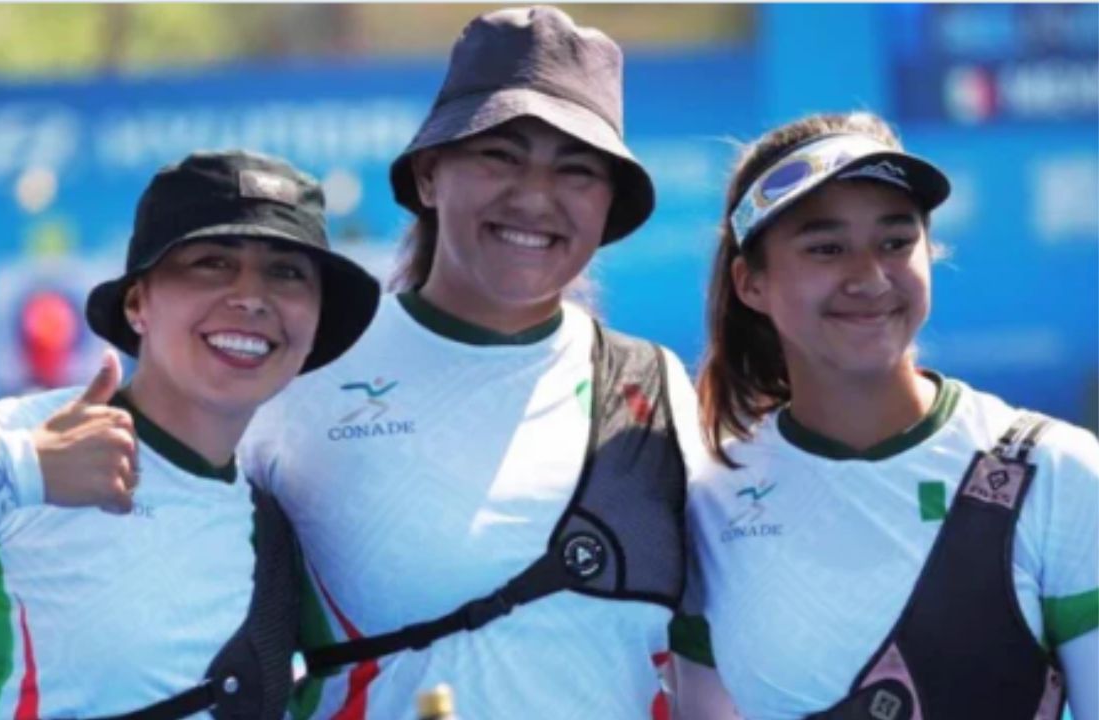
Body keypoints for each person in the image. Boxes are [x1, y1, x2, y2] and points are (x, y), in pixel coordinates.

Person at [241, 6, 706, 719]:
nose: (534, 198)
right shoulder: (305, 367)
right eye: (501, 156)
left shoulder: (655, 384)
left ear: (609, 207)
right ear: (429, 176)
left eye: (576, 170)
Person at [0, 150, 381, 719]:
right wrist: (20, 473)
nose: (251, 297)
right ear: (138, 301)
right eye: (212, 262)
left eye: (286, 273)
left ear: (315, 322)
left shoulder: (277, 517)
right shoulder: (15, 442)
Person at [669, 111, 1098, 720]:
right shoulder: (708, 502)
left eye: (895, 243)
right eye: (827, 248)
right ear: (751, 283)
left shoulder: (1057, 472)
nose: (869, 278)